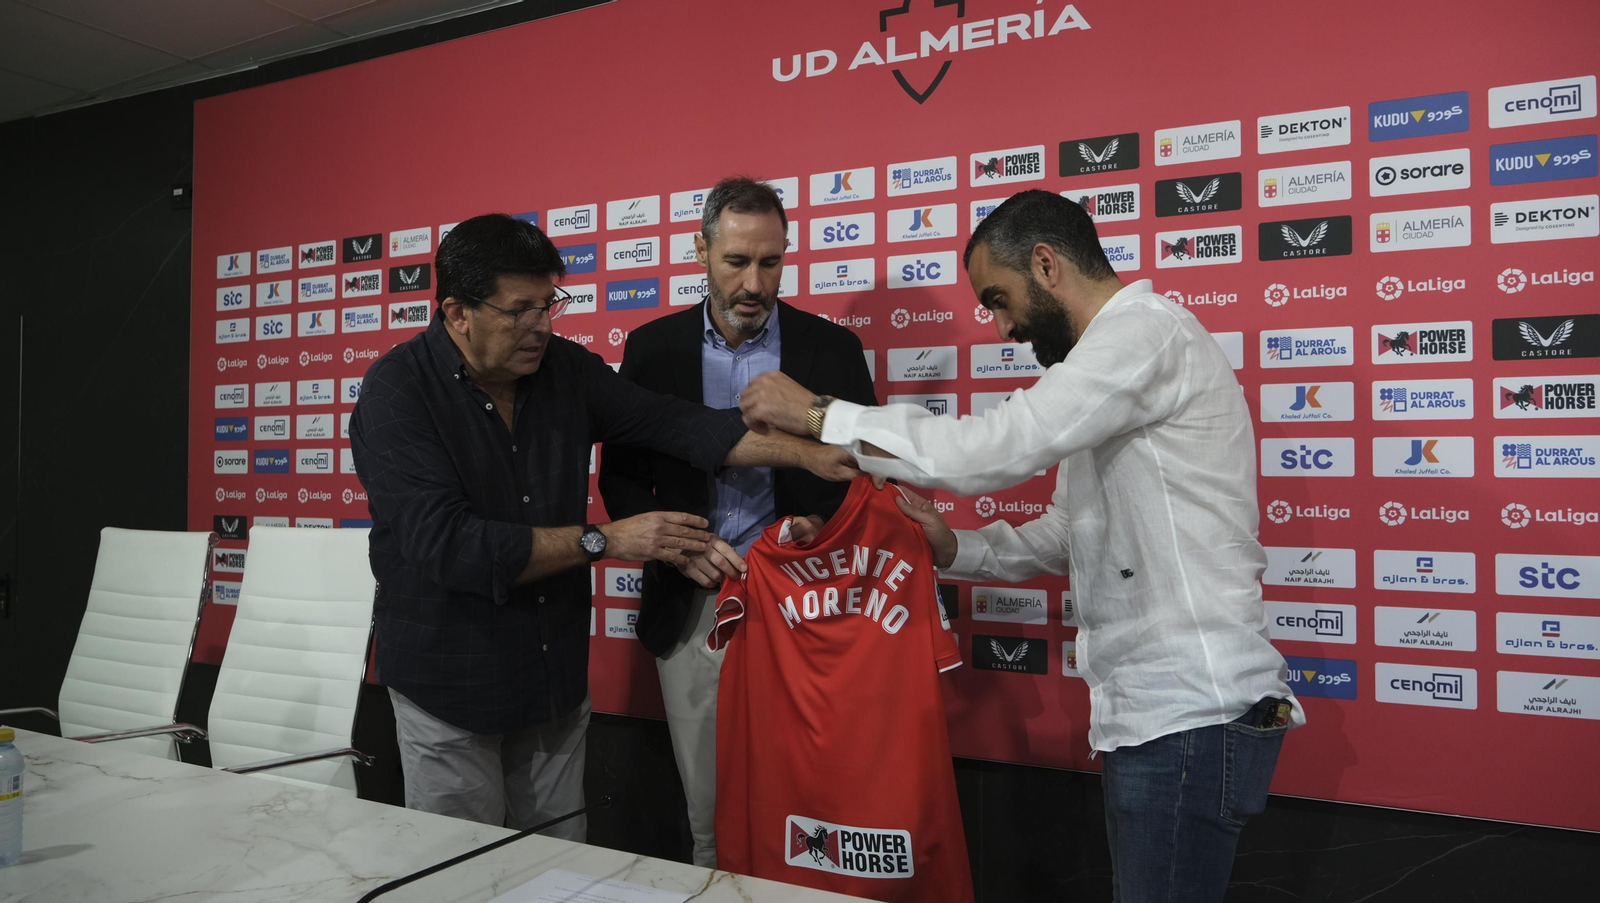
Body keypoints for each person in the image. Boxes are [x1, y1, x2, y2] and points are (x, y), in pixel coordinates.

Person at [738, 189, 1301, 903]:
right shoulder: (1110, 366)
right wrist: (955, 548)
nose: (1003, 327)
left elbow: (992, 449)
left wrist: (821, 415)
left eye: (999, 300)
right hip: (1160, 715)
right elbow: (1068, 530)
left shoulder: (1144, 335)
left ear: (1045, 264)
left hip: (1190, 713)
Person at [349, 213, 856, 838]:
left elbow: (678, 424)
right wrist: (608, 539)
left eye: (548, 304)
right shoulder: (397, 392)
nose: (541, 325)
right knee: (461, 869)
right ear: (458, 313)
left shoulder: (564, 368)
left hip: (552, 682)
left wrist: (805, 452)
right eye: (520, 311)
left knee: (561, 866)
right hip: (450, 688)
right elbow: (451, 546)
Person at [598, 177, 877, 867]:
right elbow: (620, 477)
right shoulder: (653, 348)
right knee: (710, 818)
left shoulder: (832, 349)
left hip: (808, 605)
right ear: (701, 252)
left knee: (812, 812)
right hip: (692, 603)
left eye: (770, 262)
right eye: (736, 262)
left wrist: (820, 526)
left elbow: (866, 472)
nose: (755, 283)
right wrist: (673, 544)